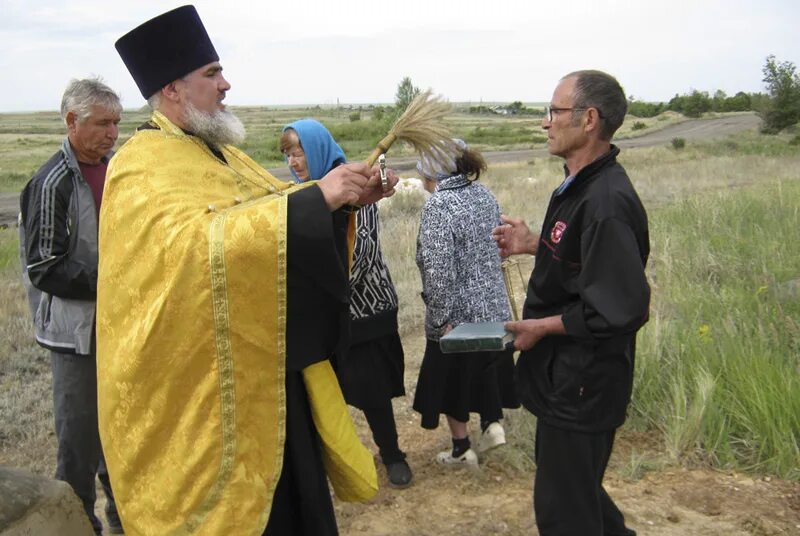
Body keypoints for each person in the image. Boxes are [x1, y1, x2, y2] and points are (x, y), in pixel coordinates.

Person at [101, 6, 398, 535]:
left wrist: (343, 201)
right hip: (205, 400)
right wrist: (316, 201)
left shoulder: (221, 154)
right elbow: (190, 250)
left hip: (267, 377)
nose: (226, 84)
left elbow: (275, 206)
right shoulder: (139, 165)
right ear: (172, 88)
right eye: (212, 74)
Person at [492, 70, 649, 535]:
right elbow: (586, 262)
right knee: (579, 495)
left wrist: (540, 328)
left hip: (584, 385)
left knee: (565, 516)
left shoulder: (606, 202)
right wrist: (533, 242)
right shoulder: (580, 187)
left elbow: (621, 309)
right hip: (568, 379)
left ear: (589, 120)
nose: (545, 122)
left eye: (554, 111)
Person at [280, 119, 413, 488]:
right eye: (287, 154)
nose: (293, 161)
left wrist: (311, 285)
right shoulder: (304, 194)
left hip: (364, 310)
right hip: (325, 315)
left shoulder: (354, 186)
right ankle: (337, 462)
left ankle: (392, 455)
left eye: (298, 152)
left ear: (317, 148)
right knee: (324, 394)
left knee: (371, 390)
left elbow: (361, 254)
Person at [18, 78, 123, 535]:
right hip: (74, 335)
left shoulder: (118, 170)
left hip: (119, 326)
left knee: (121, 439)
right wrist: (117, 282)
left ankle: (127, 524)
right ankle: (80, 527)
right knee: (79, 444)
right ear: (71, 122)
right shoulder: (52, 181)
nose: (112, 133)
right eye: (102, 123)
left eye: (117, 123)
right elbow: (43, 267)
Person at [412, 139, 520, 466]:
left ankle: (461, 449)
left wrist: (437, 321)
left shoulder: (438, 205)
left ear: (431, 169)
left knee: (450, 384)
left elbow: (437, 270)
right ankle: (492, 425)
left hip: (457, 320)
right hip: (493, 311)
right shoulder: (484, 193)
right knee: (485, 372)